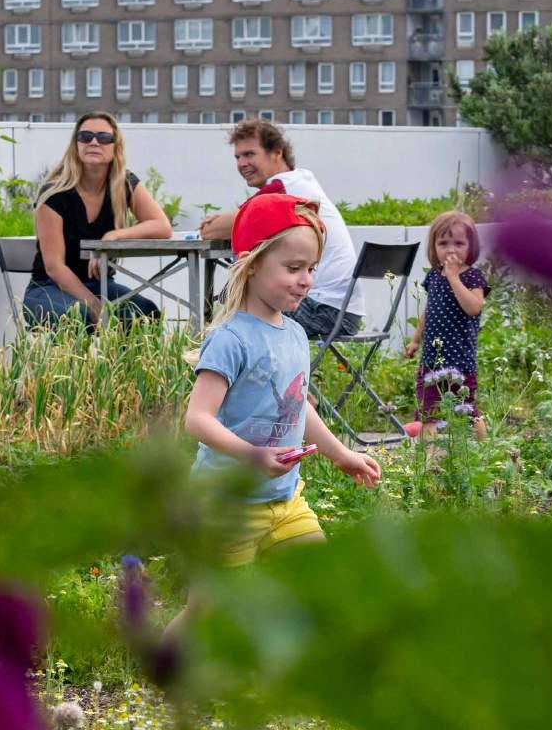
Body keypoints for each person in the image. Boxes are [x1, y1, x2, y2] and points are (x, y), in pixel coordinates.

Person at [182, 191, 379, 578]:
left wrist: (341, 454)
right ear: (251, 264)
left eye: (311, 268)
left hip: (286, 501)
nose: (306, 280)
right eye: (293, 267)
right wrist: (252, 456)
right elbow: (197, 419)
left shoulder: (294, 333)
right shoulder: (231, 339)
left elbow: (297, 405)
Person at [199, 119, 364, 338]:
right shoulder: (300, 181)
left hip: (322, 310)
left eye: (249, 154)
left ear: (277, 153)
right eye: (237, 157)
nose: (241, 164)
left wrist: (218, 221)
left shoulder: (282, 187)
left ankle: (218, 361)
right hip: (341, 310)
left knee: (238, 306)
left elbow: (215, 230)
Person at [23, 112, 172, 330]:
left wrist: (112, 237)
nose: (94, 142)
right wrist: (94, 305)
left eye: (103, 137)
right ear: (76, 145)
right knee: (78, 315)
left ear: (115, 146)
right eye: (85, 136)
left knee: (144, 313)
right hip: (48, 288)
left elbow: (162, 226)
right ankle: (74, 366)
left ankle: (123, 365)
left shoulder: (124, 184)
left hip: (100, 285)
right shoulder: (54, 194)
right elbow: (55, 268)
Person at [404, 210, 490, 439]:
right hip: (432, 360)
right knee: (428, 411)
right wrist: (415, 339)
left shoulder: (473, 277)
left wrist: (453, 277)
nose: (451, 249)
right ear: (434, 248)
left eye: (459, 243)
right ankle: (429, 461)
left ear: (471, 247)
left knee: (468, 409)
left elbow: (473, 307)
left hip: (460, 361)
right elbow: (429, 311)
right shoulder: (434, 276)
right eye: (443, 243)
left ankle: (484, 451)